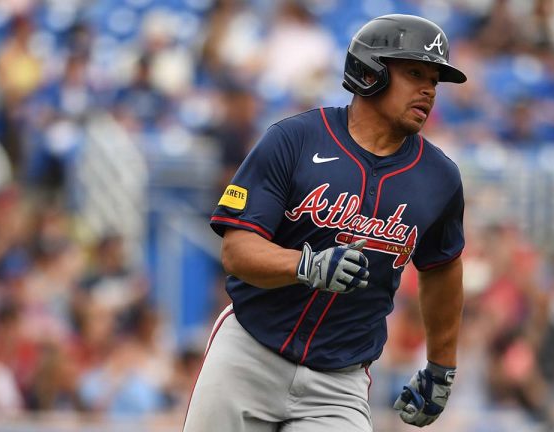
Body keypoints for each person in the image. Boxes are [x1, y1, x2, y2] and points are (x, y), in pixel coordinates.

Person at [183, 14, 467, 431]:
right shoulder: (294, 140)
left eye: (434, 80)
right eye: (413, 72)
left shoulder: (439, 177)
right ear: (371, 72)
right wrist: (307, 266)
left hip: (338, 383)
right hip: (248, 354)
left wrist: (441, 366)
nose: (428, 89)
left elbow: (442, 267)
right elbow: (237, 251)